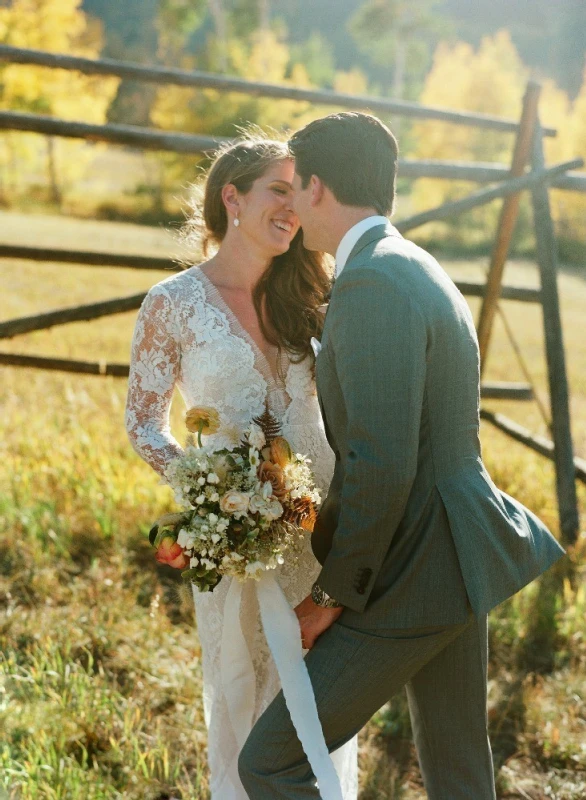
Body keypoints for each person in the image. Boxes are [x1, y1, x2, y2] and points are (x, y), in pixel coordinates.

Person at [237, 112, 566, 799]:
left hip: (414, 564)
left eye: (295, 187)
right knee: (458, 772)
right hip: (457, 556)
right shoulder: (410, 264)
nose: (291, 204)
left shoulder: (374, 284)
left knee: (271, 763)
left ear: (319, 187)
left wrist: (329, 597)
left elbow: (382, 464)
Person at [124, 134, 358, 799]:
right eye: (277, 191)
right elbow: (144, 425)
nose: (293, 208)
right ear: (232, 196)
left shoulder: (314, 293)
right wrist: (211, 493)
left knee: (322, 699)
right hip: (240, 544)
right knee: (245, 691)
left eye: (299, 192)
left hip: (322, 536)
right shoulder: (173, 303)